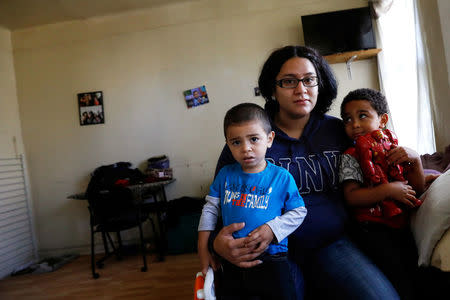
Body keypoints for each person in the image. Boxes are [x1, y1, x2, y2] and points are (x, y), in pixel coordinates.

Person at [210, 46, 400, 299]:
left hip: (332, 245)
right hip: (270, 253)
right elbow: (217, 203)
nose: (301, 89)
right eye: (289, 81)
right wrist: (216, 242)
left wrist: (409, 158)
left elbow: (380, 157)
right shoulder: (250, 137)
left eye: (309, 80)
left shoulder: (338, 130)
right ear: (273, 88)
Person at [198, 103, 307, 299]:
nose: (246, 148)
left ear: (269, 139)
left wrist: (273, 229)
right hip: (231, 258)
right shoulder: (224, 175)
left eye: (254, 139)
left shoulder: (281, 177)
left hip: (272, 259)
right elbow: (210, 210)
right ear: (228, 144)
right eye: (236, 142)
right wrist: (203, 247)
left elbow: (299, 211)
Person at [339, 88, 426, 300]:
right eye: (348, 119)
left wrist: (415, 160)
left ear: (383, 119)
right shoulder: (350, 157)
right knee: (397, 278)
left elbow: (418, 190)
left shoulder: (393, 149)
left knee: (416, 274)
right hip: (372, 230)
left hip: (401, 226)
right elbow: (351, 196)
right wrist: (387, 190)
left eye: (362, 116)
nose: (355, 124)